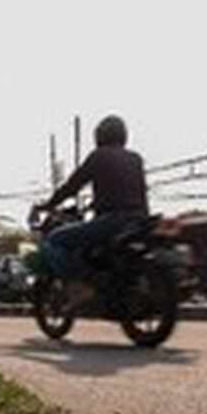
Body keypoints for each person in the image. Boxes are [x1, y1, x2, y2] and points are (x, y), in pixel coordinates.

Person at [37, 115, 149, 306]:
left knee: (54, 240)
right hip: (139, 221)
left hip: (112, 222)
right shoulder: (135, 158)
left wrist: (49, 204)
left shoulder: (99, 155)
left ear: (100, 136)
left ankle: (79, 285)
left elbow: (73, 186)